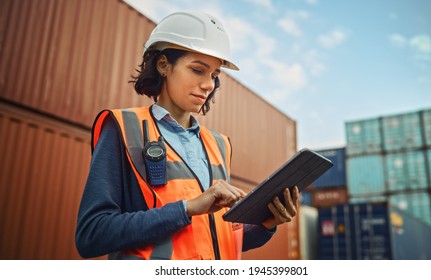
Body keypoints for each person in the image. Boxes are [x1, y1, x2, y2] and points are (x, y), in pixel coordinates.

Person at [75, 10, 299, 260]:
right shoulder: (124, 128)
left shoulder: (219, 144)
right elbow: (91, 235)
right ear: (163, 65)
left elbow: (212, 238)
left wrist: (266, 223)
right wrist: (187, 208)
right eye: (198, 70)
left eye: (214, 75)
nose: (209, 84)